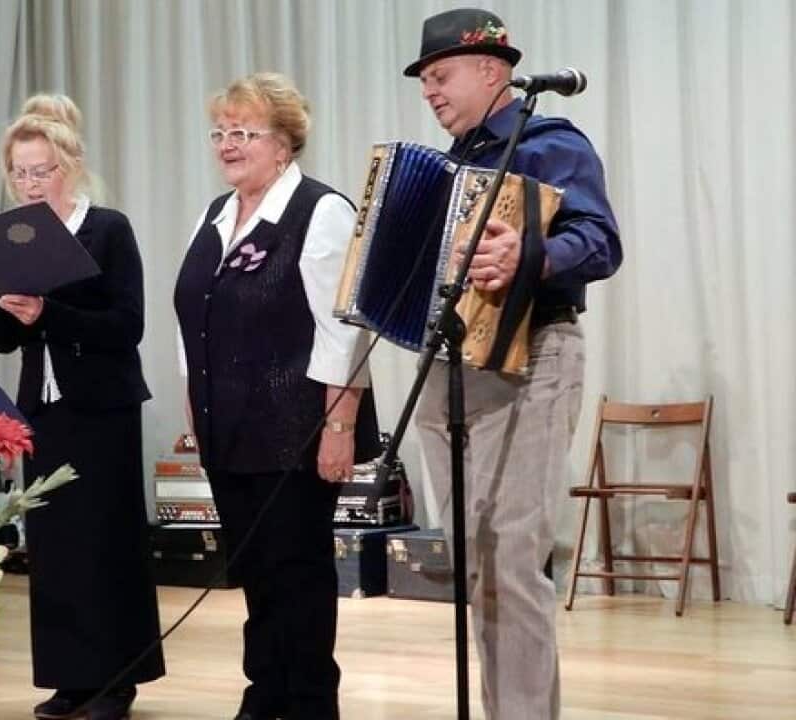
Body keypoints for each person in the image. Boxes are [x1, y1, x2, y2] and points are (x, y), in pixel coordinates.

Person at [404, 9, 622, 720]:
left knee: (512, 563)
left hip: (532, 359)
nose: (430, 91)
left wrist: (532, 254)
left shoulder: (548, 143)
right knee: (474, 563)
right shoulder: (447, 166)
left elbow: (600, 241)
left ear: (492, 70)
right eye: (425, 80)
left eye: (441, 75)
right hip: (448, 368)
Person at [173, 72, 377, 720]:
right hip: (228, 430)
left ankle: (311, 703)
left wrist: (338, 429)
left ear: (284, 143)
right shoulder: (216, 213)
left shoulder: (320, 211)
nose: (228, 144)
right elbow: (194, 317)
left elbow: (343, 330)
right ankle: (266, 694)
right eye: (221, 131)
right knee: (256, 575)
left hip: (297, 430)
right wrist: (193, 414)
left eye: (244, 132)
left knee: (298, 575)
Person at [0, 94, 164, 720]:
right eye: (19, 172)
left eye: (40, 170)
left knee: (105, 544)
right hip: (43, 411)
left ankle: (115, 681)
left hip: (101, 408)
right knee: (53, 549)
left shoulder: (107, 228)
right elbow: (9, 340)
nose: (28, 182)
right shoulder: (15, 238)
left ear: (69, 167)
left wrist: (51, 312)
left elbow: (125, 324)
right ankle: (71, 678)